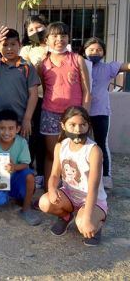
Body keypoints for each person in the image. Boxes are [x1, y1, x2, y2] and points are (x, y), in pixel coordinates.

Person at [38, 106, 107, 246]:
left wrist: (87, 217)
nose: (78, 130)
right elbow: (55, 175)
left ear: (88, 126)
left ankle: (97, 224)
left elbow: (93, 188)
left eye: (83, 125)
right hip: (69, 195)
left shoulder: (94, 151)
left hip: (92, 200)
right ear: (63, 125)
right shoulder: (60, 146)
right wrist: (51, 189)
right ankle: (65, 216)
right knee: (44, 202)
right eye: (72, 125)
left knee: (82, 224)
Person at [39, 22, 91, 192]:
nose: (59, 39)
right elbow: (46, 89)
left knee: (75, 156)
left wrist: (84, 116)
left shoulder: (77, 59)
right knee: (51, 155)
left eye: (63, 35)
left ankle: (76, 192)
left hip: (74, 116)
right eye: (54, 36)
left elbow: (86, 90)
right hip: (50, 114)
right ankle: (50, 191)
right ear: (46, 39)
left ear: (68, 38)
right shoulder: (43, 63)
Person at [0, 109, 42, 226]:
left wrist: (15, 167)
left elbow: (26, 164)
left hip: (15, 178)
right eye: (2, 128)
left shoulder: (22, 142)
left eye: (11, 128)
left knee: (29, 175)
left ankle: (26, 209)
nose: (6, 132)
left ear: (17, 129)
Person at [83, 37, 130, 189]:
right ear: (84, 51)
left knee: (101, 143)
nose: (95, 52)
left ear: (103, 52)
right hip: (82, 111)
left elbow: (127, 66)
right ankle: (84, 174)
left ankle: (106, 176)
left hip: (101, 112)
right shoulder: (80, 65)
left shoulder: (109, 68)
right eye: (91, 49)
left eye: (99, 50)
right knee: (82, 143)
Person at [19, 15, 48, 187]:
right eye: (31, 30)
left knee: (46, 138)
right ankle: (30, 170)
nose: (35, 32)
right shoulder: (26, 50)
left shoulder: (57, 48)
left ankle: (44, 172)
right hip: (33, 99)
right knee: (32, 137)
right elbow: (26, 72)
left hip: (52, 100)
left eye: (39, 28)